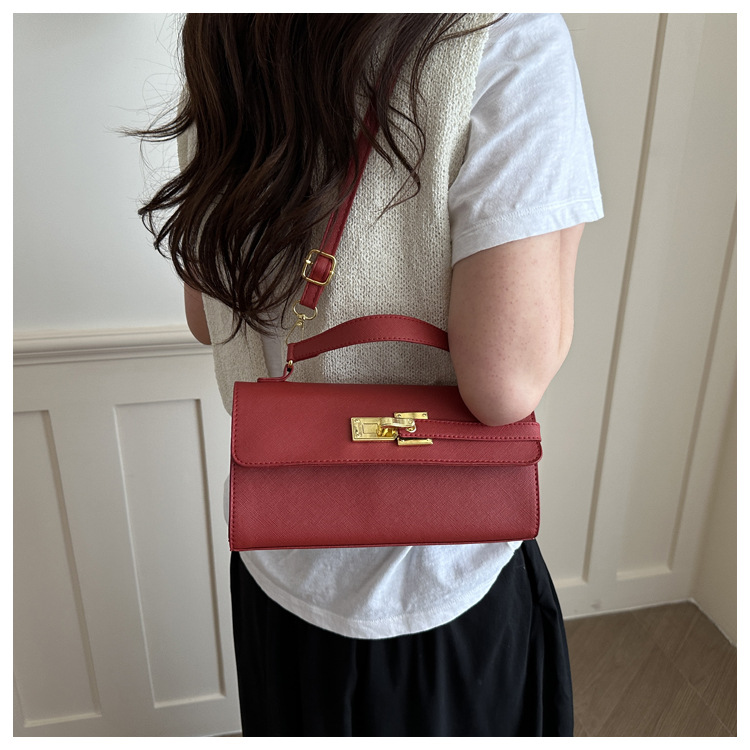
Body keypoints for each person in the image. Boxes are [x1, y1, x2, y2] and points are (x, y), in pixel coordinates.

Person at [137, 13, 603, 736]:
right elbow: (504, 384)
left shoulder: (226, 29)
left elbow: (208, 318)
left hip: (277, 566)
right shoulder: (506, 32)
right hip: (438, 589)